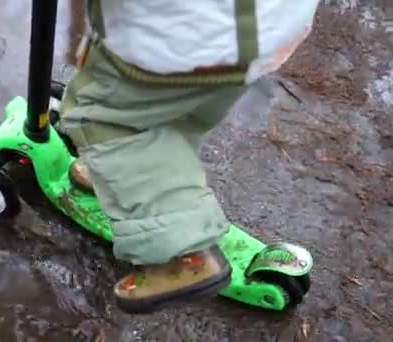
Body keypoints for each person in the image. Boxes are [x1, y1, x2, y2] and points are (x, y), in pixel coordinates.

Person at [58, 0, 320, 313]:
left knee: (98, 118)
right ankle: (120, 170)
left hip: (183, 41)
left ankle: (184, 254)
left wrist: (81, 33)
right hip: (268, 31)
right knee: (178, 116)